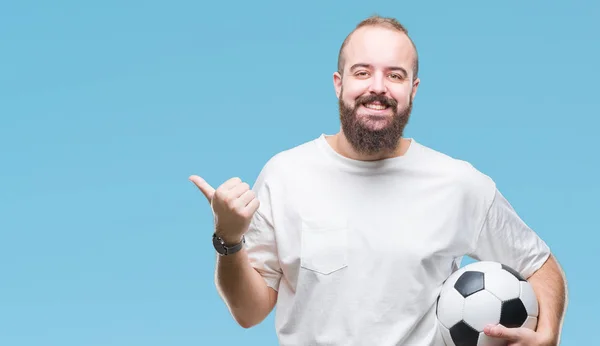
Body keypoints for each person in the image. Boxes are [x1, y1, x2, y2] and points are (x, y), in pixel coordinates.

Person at [190, 15, 568, 346]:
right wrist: (229, 239)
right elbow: (249, 312)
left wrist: (548, 332)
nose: (378, 87)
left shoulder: (459, 184)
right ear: (338, 83)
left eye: (395, 75)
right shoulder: (285, 175)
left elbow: (539, 263)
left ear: (413, 90)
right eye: (362, 72)